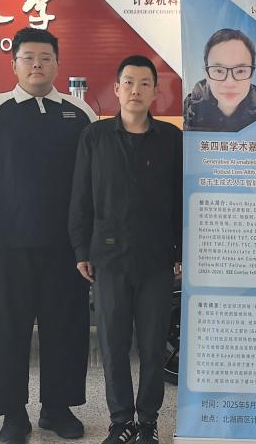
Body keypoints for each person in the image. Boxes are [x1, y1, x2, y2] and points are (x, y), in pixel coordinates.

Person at [0, 28, 96, 444]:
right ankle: (13, 414)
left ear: (57, 64)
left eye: (46, 58)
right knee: (8, 330)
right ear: (14, 64)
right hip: (7, 243)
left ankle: (57, 408)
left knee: (66, 328)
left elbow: (96, 178)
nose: (37, 65)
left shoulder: (80, 112)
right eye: (28, 57)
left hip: (66, 246)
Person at [70, 55, 183, 444]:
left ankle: (148, 421)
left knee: (152, 346)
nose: (136, 90)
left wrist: (181, 250)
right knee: (113, 345)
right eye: (129, 83)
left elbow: (179, 198)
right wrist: (81, 250)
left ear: (155, 92)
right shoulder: (94, 137)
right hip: (109, 259)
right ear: (117, 89)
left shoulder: (171, 138)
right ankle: (121, 421)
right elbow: (81, 198)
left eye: (144, 83)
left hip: (156, 259)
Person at [182, 28, 256, 132]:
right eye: (219, 71)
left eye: (240, 71)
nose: (229, 83)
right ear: (206, 74)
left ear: (252, 73)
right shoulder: (189, 119)